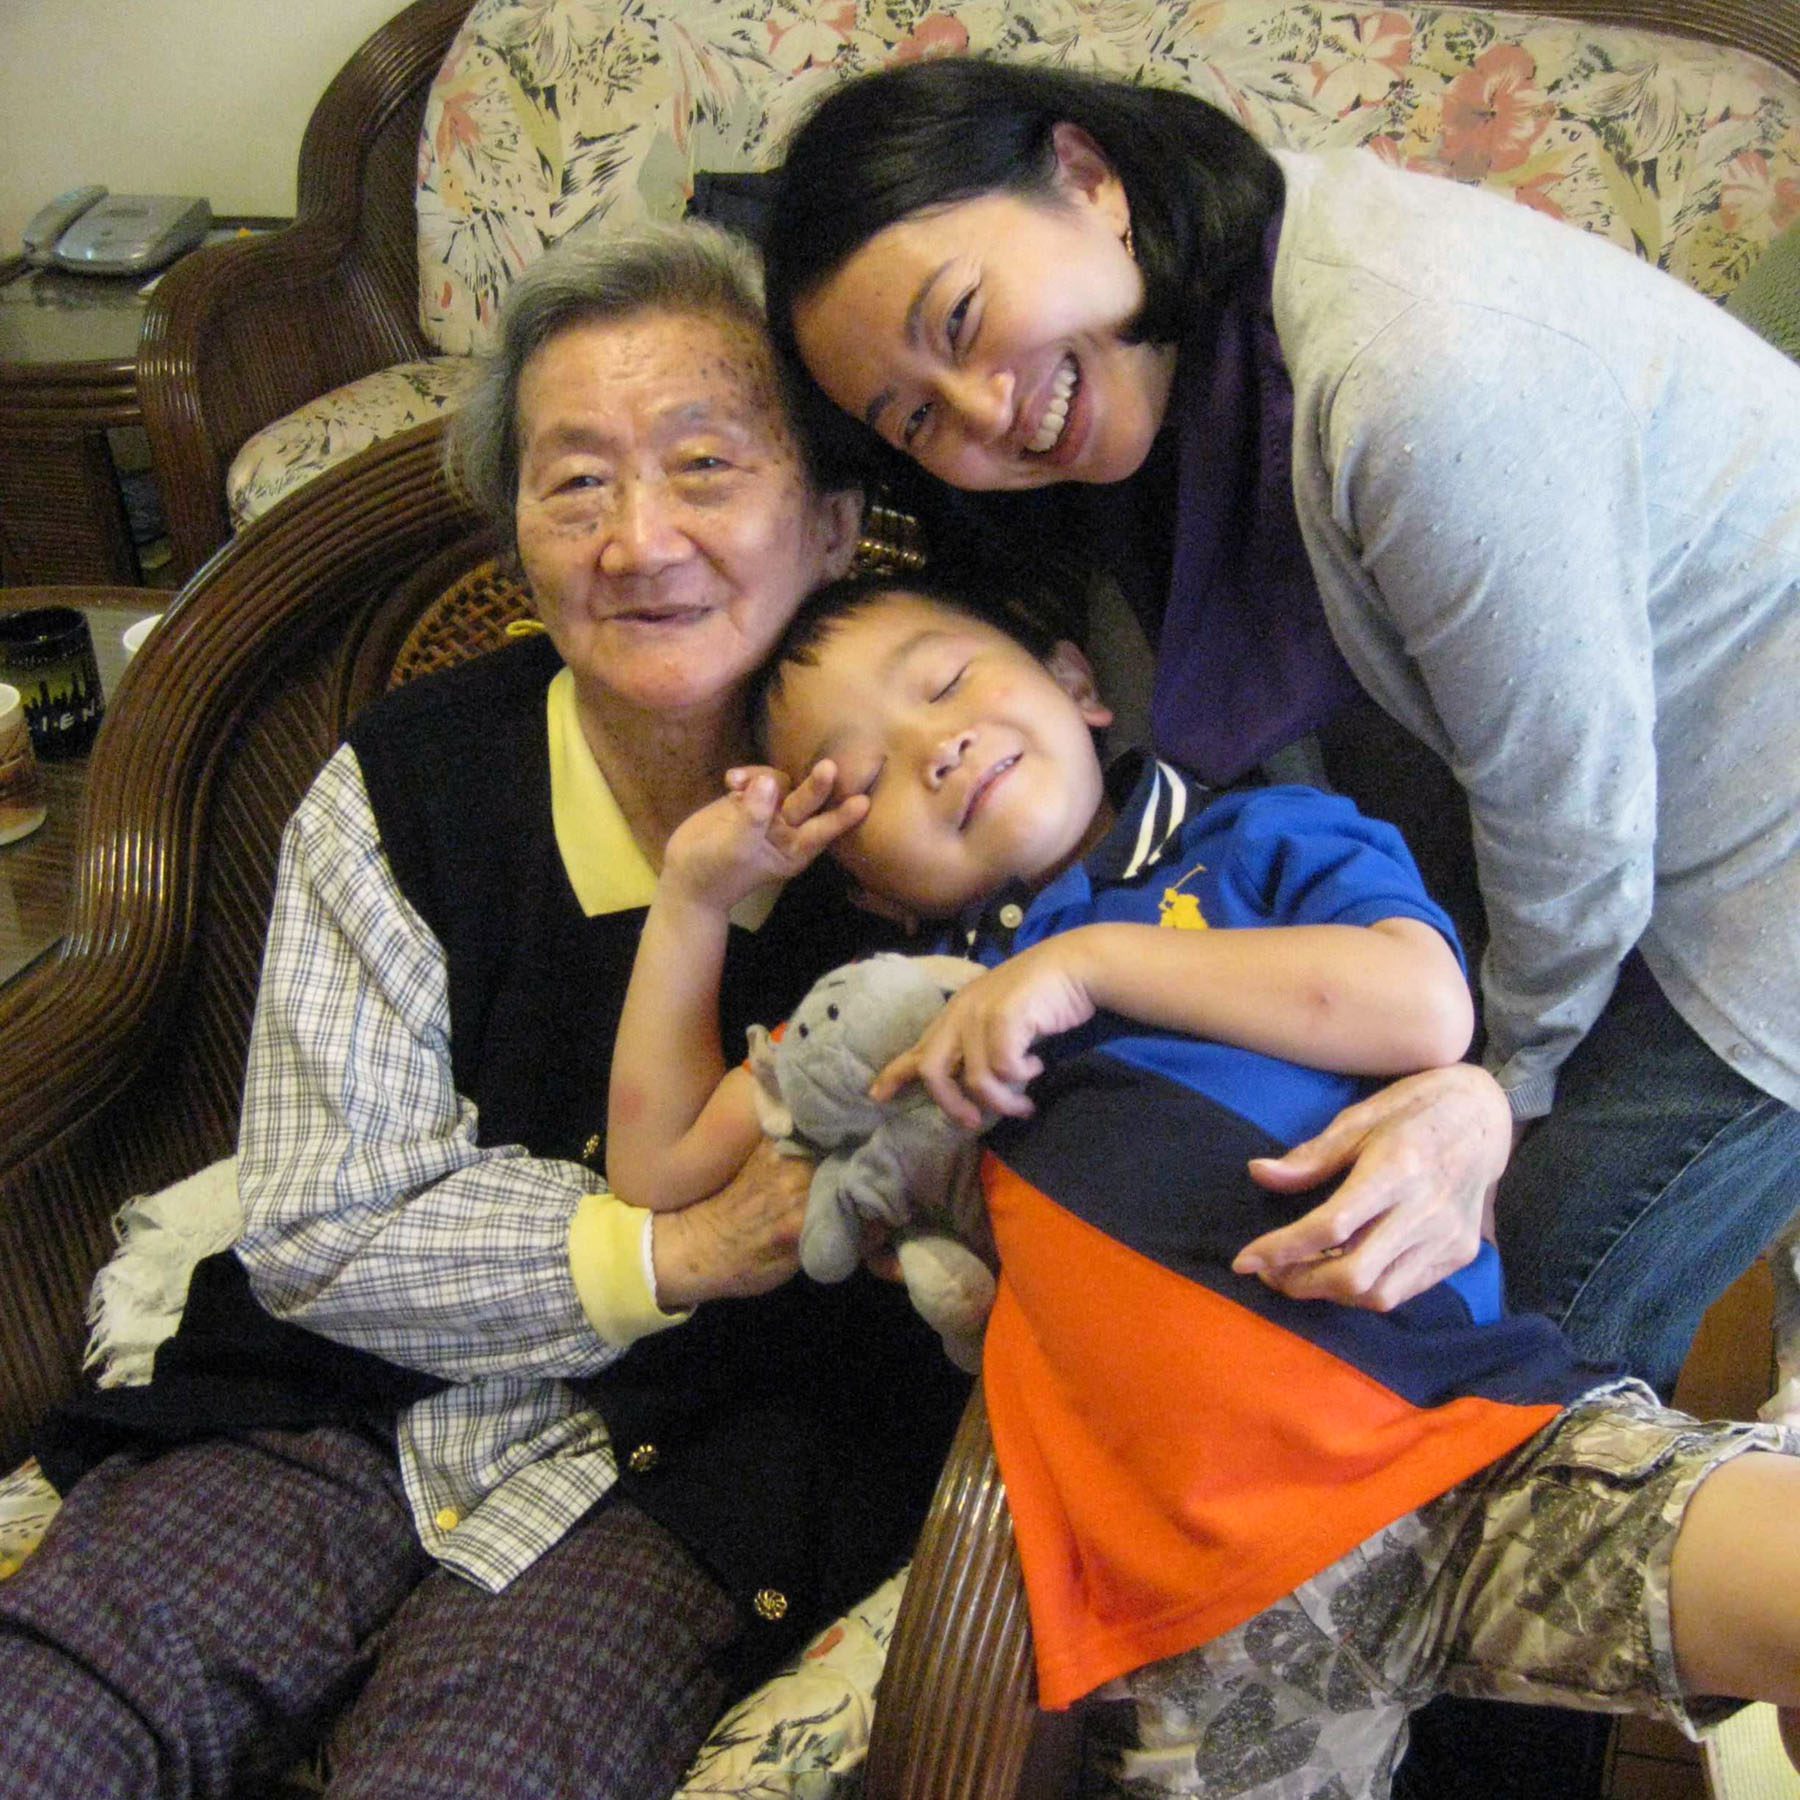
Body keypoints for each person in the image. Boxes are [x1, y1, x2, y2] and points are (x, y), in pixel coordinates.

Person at [0, 224, 978, 1800]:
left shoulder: (931, 822)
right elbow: (323, 1228)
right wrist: (670, 1250)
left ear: (836, 525)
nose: (635, 537)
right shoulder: (407, 779)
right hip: (317, 1408)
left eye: (705, 465)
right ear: (513, 529)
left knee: (481, 1769)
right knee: (48, 1710)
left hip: (692, 1469)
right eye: (573, 480)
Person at [607, 573, 1800, 1799]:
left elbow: (1422, 1005)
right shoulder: (910, 1012)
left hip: (1469, 1442)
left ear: (1079, 686)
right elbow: (658, 1172)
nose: (936, 744)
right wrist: (696, 897)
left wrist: (1094, 964)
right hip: (1192, 1616)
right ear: (864, 885)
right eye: (859, 772)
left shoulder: (1256, 839)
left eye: (946, 681)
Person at [758, 55, 1800, 1405]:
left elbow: (1573, 807)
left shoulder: (1416, 372)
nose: (980, 416)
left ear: (1086, 179)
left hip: (1759, 868)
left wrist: (1498, 1088)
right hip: (1594, 817)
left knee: (1477, 1352)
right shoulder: (1183, 352)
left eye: (959, 321)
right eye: (911, 417)